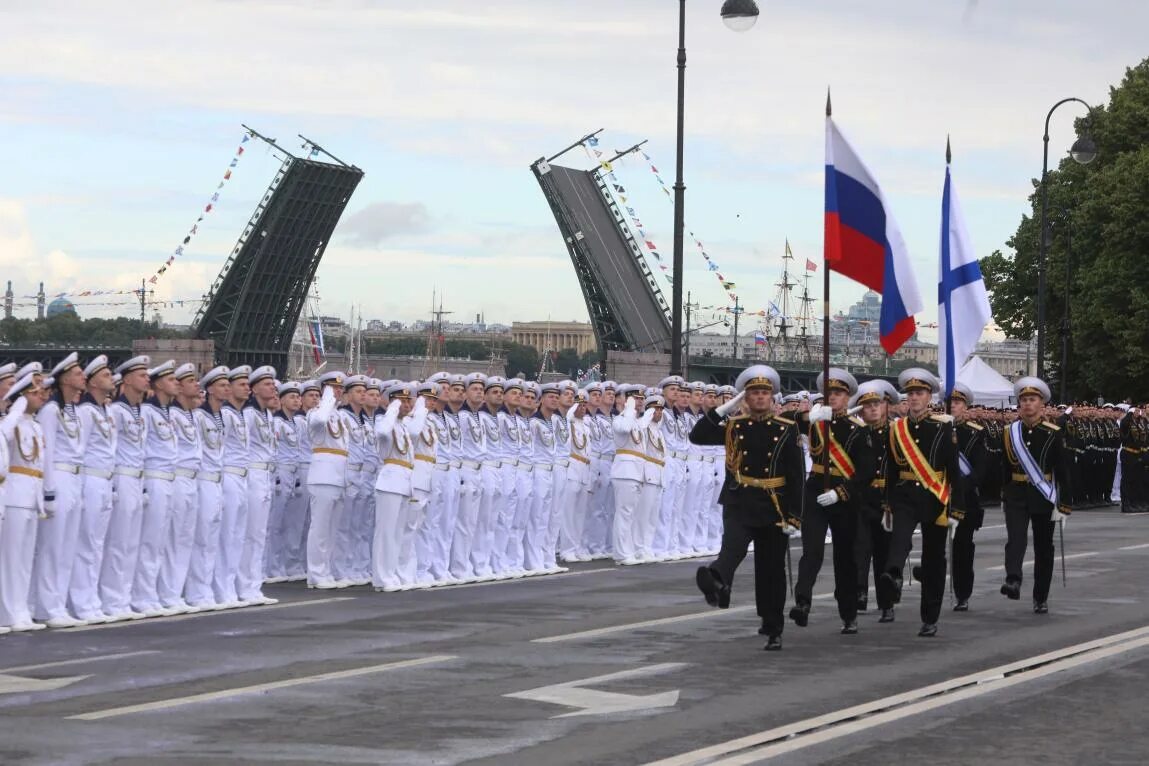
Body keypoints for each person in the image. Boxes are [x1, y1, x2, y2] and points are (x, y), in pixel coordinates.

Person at [692, 365, 803, 651]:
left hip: (773, 504)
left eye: (764, 393)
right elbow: (697, 436)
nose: (760, 398)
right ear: (745, 397)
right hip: (740, 499)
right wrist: (721, 409)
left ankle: (773, 625)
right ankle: (716, 581)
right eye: (754, 393)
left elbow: (796, 476)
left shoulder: (786, 428)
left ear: (772, 397)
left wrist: (795, 515)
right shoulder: (734, 426)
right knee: (732, 549)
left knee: (771, 569)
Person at [879, 369, 959, 637]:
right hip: (904, 494)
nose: (914, 398)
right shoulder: (896, 429)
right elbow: (889, 468)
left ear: (929, 397)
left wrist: (955, 508)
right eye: (910, 393)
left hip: (934, 497)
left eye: (919, 393)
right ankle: (893, 576)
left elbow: (953, 470)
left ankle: (930, 617)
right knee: (900, 538)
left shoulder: (942, 427)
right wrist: (887, 504)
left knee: (934, 558)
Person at [793, 368, 873, 634]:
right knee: (811, 551)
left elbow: (864, 473)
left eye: (838, 393)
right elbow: (784, 420)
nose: (833, 398)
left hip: (844, 496)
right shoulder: (816, 421)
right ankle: (802, 602)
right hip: (816, 489)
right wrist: (810, 415)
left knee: (845, 557)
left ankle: (848, 613)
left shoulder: (858, 430)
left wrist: (840, 493)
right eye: (829, 393)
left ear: (848, 397)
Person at [1000, 376, 1073, 614]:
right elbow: (1003, 467)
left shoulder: (1052, 433)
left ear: (1042, 404)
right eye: (1023, 400)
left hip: (1044, 495)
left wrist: (1063, 505)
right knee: (1016, 538)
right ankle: (1013, 579)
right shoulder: (1009, 433)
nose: (1027, 404)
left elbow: (1062, 471)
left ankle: (1040, 596)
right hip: (1016, 494)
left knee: (1043, 547)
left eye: (1032, 399)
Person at [32, 352, 88, 628]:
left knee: (67, 547)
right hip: (60, 477)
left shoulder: (72, 411)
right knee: (52, 547)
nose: (83, 377)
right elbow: (48, 454)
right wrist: (49, 492)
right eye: (78, 373)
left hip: (75, 479)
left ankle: (58, 602)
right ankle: (45, 606)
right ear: (66, 378)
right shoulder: (51, 410)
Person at [100, 356, 150, 621]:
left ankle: (124, 597)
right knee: (117, 543)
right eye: (141, 375)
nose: (147, 379)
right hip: (121, 477)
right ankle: (111, 599)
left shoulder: (138, 411)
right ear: (127, 379)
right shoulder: (116, 411)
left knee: (131, 543)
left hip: (137, 479)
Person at [0, 371, 50, 632]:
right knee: (10, 559)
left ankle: (21, 610)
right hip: (15, 495)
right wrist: (15, 411)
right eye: (32, 392)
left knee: (24, 560)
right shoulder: (12, 422)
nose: (40, 395)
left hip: (32, 495)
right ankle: (8, 612)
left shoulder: (35, 424)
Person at [70, 355, 118, 624]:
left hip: (105, 480)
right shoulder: (85, 412)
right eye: (106, 375)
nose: (110, 378)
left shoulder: (107, 411)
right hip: (89, 480)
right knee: (86, 544)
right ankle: (81, 602)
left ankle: (91, 599)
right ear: (92, 383)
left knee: (97, 544)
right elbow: (80, 450)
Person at [157, 363, 204, 613]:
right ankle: (165, 594)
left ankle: (175, 593)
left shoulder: (192, 415)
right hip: (176, 478)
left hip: (192, 480)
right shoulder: (171, 415)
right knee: (171, 540)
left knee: (185, 540)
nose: (196, 385)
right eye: (190, 381)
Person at [851, 379, 898, 623]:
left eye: (876, 404)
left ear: (884, 406)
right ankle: (859, 593)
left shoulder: (895, 434)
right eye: (866, 405)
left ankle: (886, 603)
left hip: (887, 500)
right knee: (860, 550)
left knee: (884, 554)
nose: (872, 409)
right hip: (862, 500)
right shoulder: (855, 435)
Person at [186, 366, 228, 609]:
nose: (227, 389)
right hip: (203, 481)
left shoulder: (219, 416)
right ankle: (195, 592)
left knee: (212, 540)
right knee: (200, 539)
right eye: (222, 385)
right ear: (210, 389)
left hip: (217, 481)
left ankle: (205, 590)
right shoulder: (200, 416)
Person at [305, 371, 349, 589]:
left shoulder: (340, 416)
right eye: (334, 387)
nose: (339, 391)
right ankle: (315, 573)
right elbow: (321, 420)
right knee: (320, 528)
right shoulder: (315, 413)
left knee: (332, 529)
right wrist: (327, 398)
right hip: (323, 476)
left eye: (340, 388)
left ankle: (326, 570)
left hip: (338, 476)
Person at [949, 382, 989, 612]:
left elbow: (980, 470)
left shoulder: (976, 433)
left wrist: (959, 486)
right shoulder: (937, 429)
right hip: (939, 496)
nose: (952, 406)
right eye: (950, 402)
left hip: (965, 499)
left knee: (962, 548)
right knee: (934, 545)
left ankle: (963, 593)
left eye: (957, 402)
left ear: (965, 406)